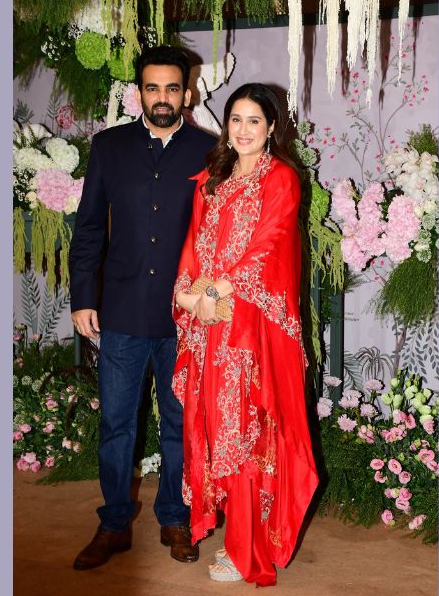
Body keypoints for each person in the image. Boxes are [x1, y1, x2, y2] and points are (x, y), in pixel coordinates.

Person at [68, 45, 217, 570]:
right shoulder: (108, 147)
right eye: (152, 88)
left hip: (184, 317)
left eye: (172, 88)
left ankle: (175, 517)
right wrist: (83, 298)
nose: (162, 98)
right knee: (116, 424)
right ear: (139, 93)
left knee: (180, 422)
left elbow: (218, 238)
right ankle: (113, 524)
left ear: (187, 94)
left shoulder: (210, 151)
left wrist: (210, 299)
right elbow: (89, 227)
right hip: (122, 312)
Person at [172, 83, 319, 587]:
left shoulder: (281, 179)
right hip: (210, 325)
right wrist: (187, 295)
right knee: (219, 430)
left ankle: (247, 547)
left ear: (272, 127)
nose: (243, 129)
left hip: (253, 329)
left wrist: (216, 290)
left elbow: (270, 245)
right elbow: (193, 242)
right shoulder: (211, 178)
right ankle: (238, 533)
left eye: (254, 120)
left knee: (248, 432)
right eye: (235, 119)